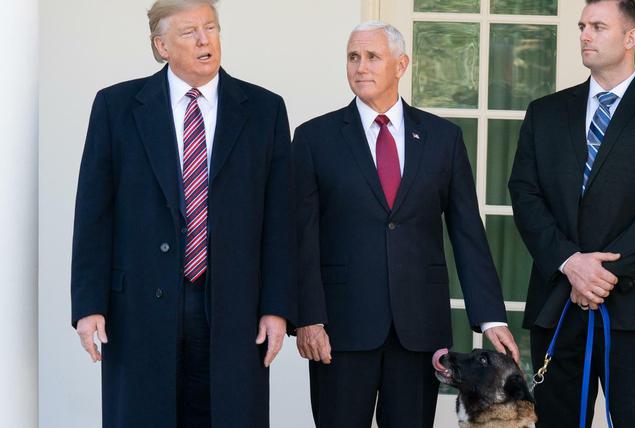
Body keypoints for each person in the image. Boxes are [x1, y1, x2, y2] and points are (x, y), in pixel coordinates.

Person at [71, 1, 295, 427]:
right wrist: (88, 304)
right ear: (161, 46)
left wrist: (276, 306)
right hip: (138, 306)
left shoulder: (265, 110)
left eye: (210, 27)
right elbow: (93, 214)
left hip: (234, 306)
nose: (204, 39)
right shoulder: (115, 107)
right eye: (189, 31)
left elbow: (279, 221)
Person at [292, 21, 520, 428]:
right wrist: (309, 317)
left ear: (401, 64)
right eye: (353, 57)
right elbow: (301, 237)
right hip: (341, 332)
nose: (360, 67)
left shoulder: (442, 138)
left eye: (372, 57)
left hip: (419, 331)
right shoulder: (314, 138)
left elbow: (467, 232)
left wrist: (491, 317)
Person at [508, 0, 635, 425]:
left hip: (634, 306)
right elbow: (524, 194)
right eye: (582, 26)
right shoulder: (546, 112)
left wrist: (601, 274)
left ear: (631, 37)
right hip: (557, 299)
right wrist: (571, 264)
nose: (584, 35)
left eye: (597, 26)